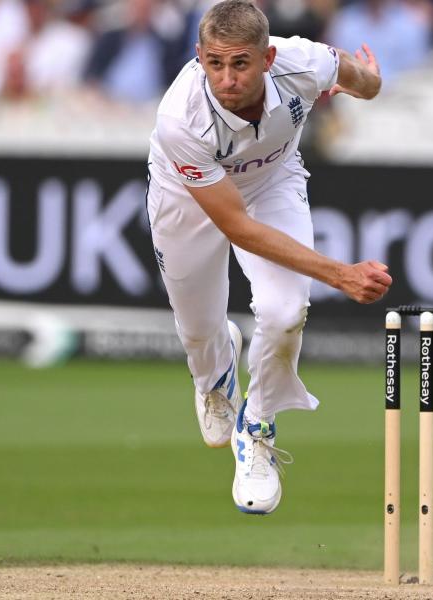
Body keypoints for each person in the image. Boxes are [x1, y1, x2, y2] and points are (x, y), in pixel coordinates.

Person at [147, 0, 391, 515]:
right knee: (196, 329)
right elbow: (238, 228)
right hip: (185, 196)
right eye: (215, 63)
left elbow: (353, 74)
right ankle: (214, 377)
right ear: (199, 56)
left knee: (284, 313)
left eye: (241, 63)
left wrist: (369, 83)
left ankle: (256, 428)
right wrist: (340, 274)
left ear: (267, 57)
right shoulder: (180, 120)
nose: (228, 78)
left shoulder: (302, 61)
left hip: (273, 182)